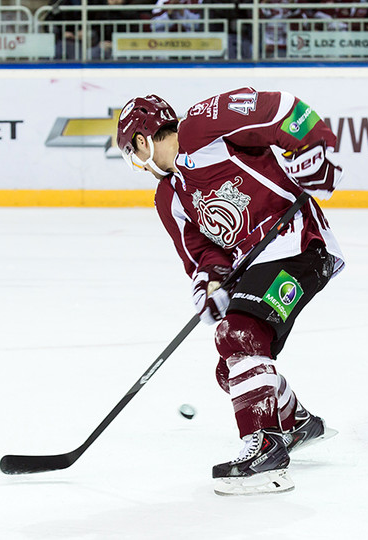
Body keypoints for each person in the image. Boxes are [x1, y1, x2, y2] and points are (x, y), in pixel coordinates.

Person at [115, 90, 345, 494]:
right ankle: (294, 422)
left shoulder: (202, 126)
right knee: (233, 371)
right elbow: (203, 254)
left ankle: (267, 453)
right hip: (258, 264)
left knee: (239, 335)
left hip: (299, 245)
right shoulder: (168, 196)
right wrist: (211, 282)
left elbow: (281, 110)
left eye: (132, 152)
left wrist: (314, 149)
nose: (138, 163)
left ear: (141, 139)